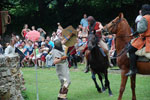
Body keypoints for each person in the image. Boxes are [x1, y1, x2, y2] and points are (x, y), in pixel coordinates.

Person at [126, 4, 150, 76]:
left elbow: (142, 29)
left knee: (130, 50)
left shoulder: (144, 18)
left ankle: (133, 69)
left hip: (145, 39)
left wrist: (135, 33)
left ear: (144, 10)